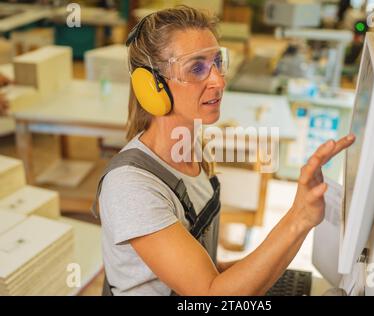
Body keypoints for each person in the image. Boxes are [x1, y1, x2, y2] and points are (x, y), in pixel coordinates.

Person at [95, 6, 355, 296]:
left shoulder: (193, 152)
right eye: (196, 68)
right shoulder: (131, 187)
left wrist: (271, 263)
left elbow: (201, 271)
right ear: (150, 87)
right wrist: (299, 218)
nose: (218, 80)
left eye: (218, 62)